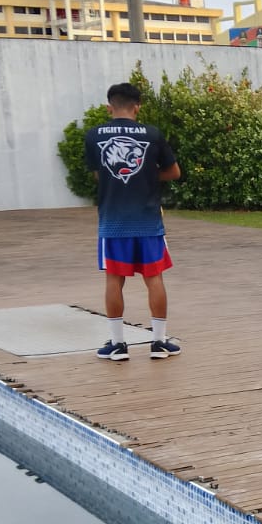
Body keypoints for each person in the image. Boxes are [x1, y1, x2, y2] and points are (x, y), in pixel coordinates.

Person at [84, 82, 182, 360]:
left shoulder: (94, 136)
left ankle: (118, 345)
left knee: (114, 280)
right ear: (137, 107)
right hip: (148, 220)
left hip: (113, 222)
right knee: (154, 278)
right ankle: (159, 342)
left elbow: (98, 174)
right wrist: (147, 175)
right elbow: (174, 172)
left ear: (109, 107)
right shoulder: (152, 134)